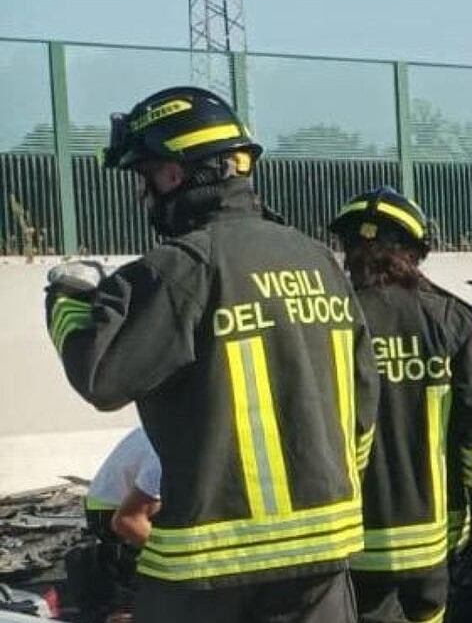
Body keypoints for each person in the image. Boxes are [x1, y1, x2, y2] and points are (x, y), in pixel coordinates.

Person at [44, 86, 380, 623]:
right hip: (325, 552)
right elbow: (364, 403)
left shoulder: (179, 267)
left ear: (175, 174)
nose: (143, 196)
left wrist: (66, 300)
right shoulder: (319, 261)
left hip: (211, 569)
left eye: (146, 177)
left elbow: (102, 376)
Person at [329, 187, 472, 623]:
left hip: (350, 541)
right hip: (433, 539)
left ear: (350, 251)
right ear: (414, 251)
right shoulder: (450, 320)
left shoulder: (332, 319)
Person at [81, 427, 161, 623]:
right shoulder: (169, 453)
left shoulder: (165, 423)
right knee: (132, 595)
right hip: (112, 510)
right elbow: (129, 521)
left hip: (112, 501)